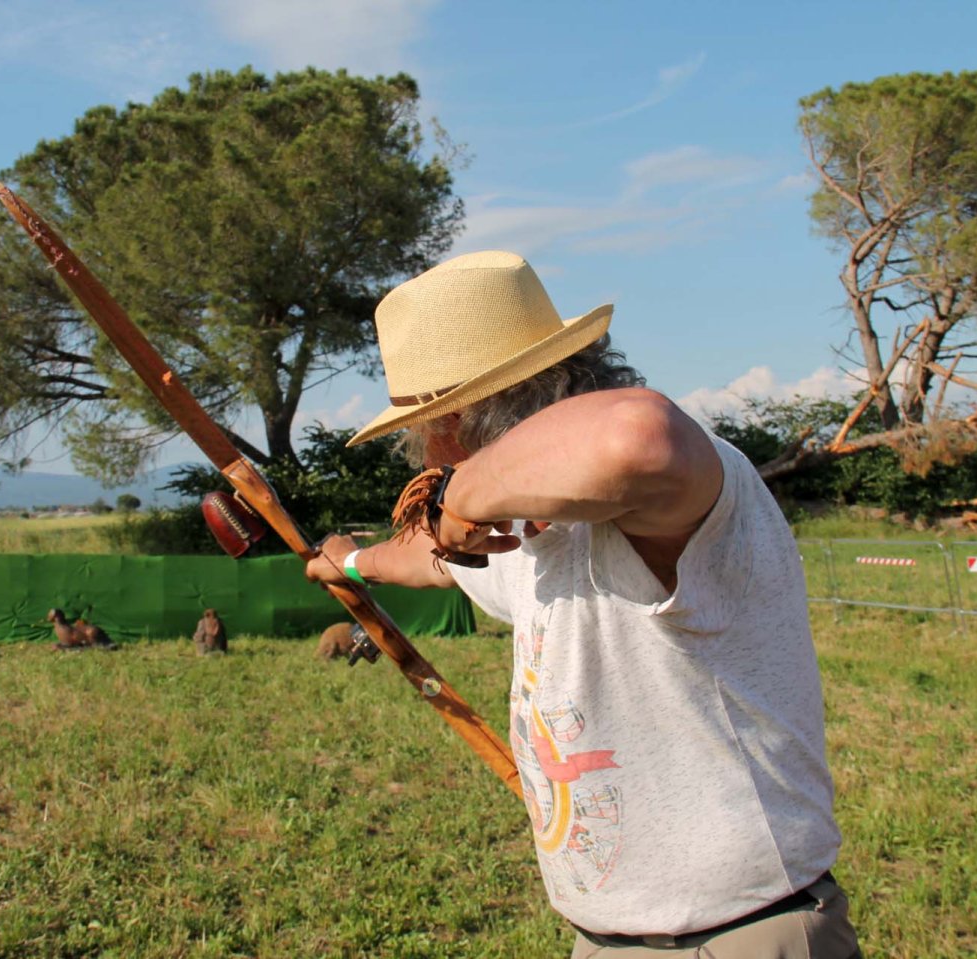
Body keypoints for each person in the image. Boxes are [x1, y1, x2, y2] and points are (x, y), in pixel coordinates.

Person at [304, 251, 861, 958]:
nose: (424, 460)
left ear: (470, 419)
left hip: (737, 934)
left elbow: (637, 438)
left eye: (429, 432)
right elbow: (430, 561)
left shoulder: (673, 489)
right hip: (611, 935)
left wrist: (461, 495)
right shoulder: (527, 531)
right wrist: (347, 560)